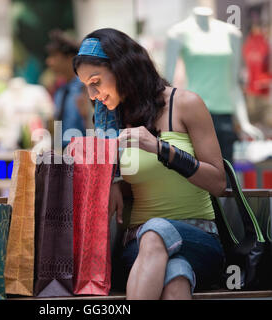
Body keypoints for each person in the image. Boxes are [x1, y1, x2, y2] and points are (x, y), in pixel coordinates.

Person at [73, 28, 226, 300]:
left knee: (158, 231)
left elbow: (217, 182)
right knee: (175, 274)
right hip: (139, 243)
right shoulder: (111, 119)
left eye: (95, 81)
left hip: (199, 238)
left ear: (122, 69)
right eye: (87, 86)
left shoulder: (186, 104)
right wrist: (115, 182)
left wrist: (160, 148)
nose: (93, 94)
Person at [164, 7, 263, 163]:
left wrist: (244, 122)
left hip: (224, 116)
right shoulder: (178, 33)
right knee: (197, 172)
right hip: (193, 114)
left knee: (226, 175)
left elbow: (234, 83)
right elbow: (167, 82)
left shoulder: (231, 33)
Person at [45, 30, 91, 150]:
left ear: (70, 58)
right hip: (62, 155)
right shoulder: (60, 91)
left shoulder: (87, 89)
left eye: (54, 56)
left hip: (83, 154)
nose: (49, 62)